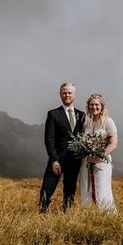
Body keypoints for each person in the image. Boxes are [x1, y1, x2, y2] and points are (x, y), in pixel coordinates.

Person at [38, 82, 85, 212]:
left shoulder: (82, 115)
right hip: (57, 160)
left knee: (70, 189)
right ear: (60, 94)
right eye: (64, 93)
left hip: (74, 160)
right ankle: (42, 213)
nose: (67, 95)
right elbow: (49, 139)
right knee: (47, 188)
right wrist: (54, 160)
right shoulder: (53, 114)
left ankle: (66, 214)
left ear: (74, 95)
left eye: (70, 93)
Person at [78, 93, 118, 212]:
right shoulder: (86, 122)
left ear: (102, 106)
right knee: (86, 188)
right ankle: (88, 215)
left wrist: (98, 157)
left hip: (102, 162)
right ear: (88, 106)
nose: (94, 107)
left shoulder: (108, 122)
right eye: (91, 105)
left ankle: (105, 216)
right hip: (86, 162)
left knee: (102, 189)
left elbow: (113, 144)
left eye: (97, 105)